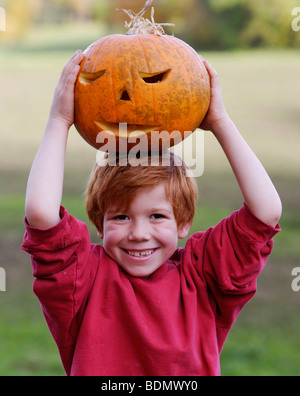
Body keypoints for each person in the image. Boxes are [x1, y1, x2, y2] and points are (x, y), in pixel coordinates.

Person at [22, 50, 282, 376]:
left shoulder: (204, 277)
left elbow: (266, 212)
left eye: (157, 216)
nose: (139, 233)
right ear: (99, 225)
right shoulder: (82, 279)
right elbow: (41, 213)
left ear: (184, 222)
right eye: (121, 217)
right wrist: (59, 121)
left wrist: (219, 122)